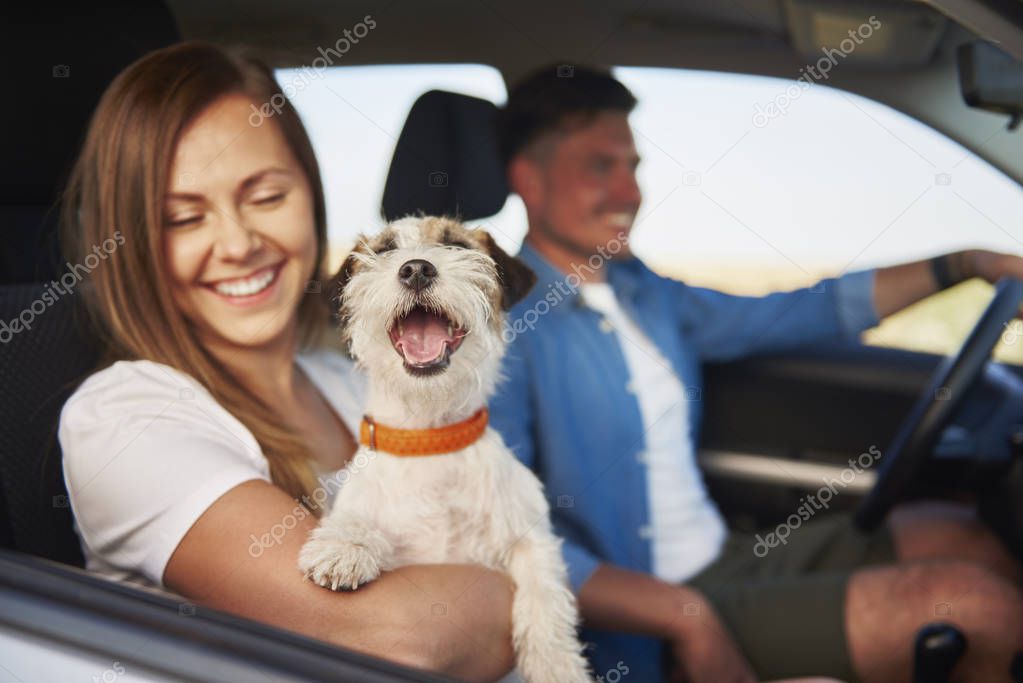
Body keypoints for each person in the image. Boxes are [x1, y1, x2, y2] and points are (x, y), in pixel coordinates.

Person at [489, 64, 1023, 683]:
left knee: (966, 537)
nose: (629, 192)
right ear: (528, 179)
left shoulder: (645, 295)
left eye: (632, 167)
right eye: (600, 166)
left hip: (726, 561)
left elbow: (797, 312)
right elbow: (503, 537)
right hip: (639, 619)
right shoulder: (504, 328)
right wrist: (682, 614)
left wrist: (961, 264)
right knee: (980, 610)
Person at [57, 42, 514, 682]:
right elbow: (397, 642)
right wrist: (530, 592)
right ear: (132, 247)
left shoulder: (351, 378)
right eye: (184, 218)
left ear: (310, 194)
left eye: (267, 196)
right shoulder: (122, 418)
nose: (239, 244)